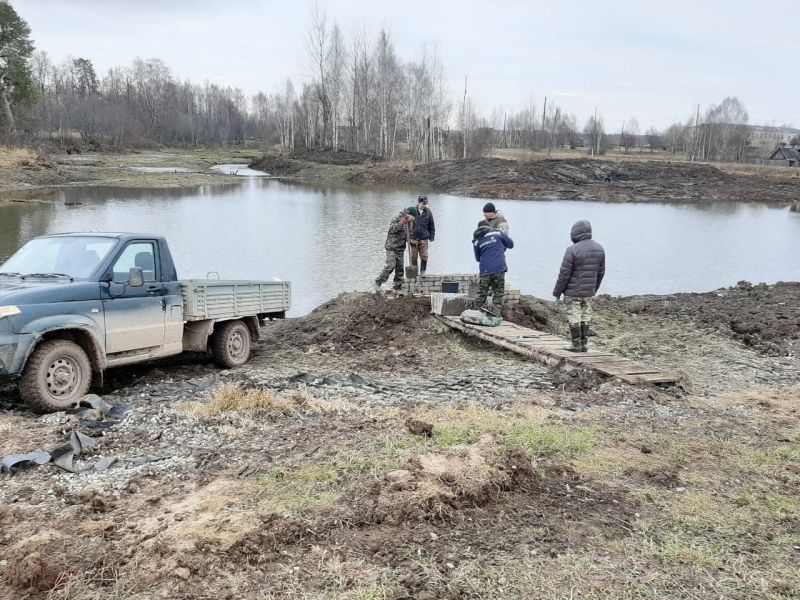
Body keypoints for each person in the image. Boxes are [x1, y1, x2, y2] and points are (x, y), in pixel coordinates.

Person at [552, 220, 606, 352]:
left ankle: (576, 345)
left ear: (575, 233)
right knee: (585, 316)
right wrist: (594, 289)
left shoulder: (572, 250)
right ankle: (584, 344)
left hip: (572, 292)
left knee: (574, 316)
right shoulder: (600, 248)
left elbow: (564, 274)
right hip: (588, 292)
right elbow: (601, 272)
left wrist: (557, 292)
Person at [374, 207, 418, 295]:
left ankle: (398, 287)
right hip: (392, 246)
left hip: (400, 248)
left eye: (413, 219)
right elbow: (392, 230)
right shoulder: (397, 218)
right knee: (391, 265)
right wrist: (401, 223)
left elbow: (408, 234)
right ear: (408, 215)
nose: (412, 220)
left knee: (400, 268)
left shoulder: (411, 223)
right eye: (411, 218)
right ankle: (378, 282)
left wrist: (411, 241)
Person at [472, 224, 514, 311]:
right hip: (499, 268)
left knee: (482, 293)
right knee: (498, 292)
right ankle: (495, 314)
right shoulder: (498, 234)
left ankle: (474, 312)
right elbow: (510, 244)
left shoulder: (477, 242)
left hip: (485, 270)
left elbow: (477, 258)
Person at [411, 195, 435, 275]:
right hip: (413, 238)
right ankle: (414, 273)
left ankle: (423, 272)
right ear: (419, 203)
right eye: (423, 203)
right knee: (413, 256)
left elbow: (431, 225)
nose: (424, 205)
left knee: (424, 256)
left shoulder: (428, 212)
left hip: (424, 238)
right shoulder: (412, 211)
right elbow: (407, 224)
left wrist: (432, 236)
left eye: (426, 204)